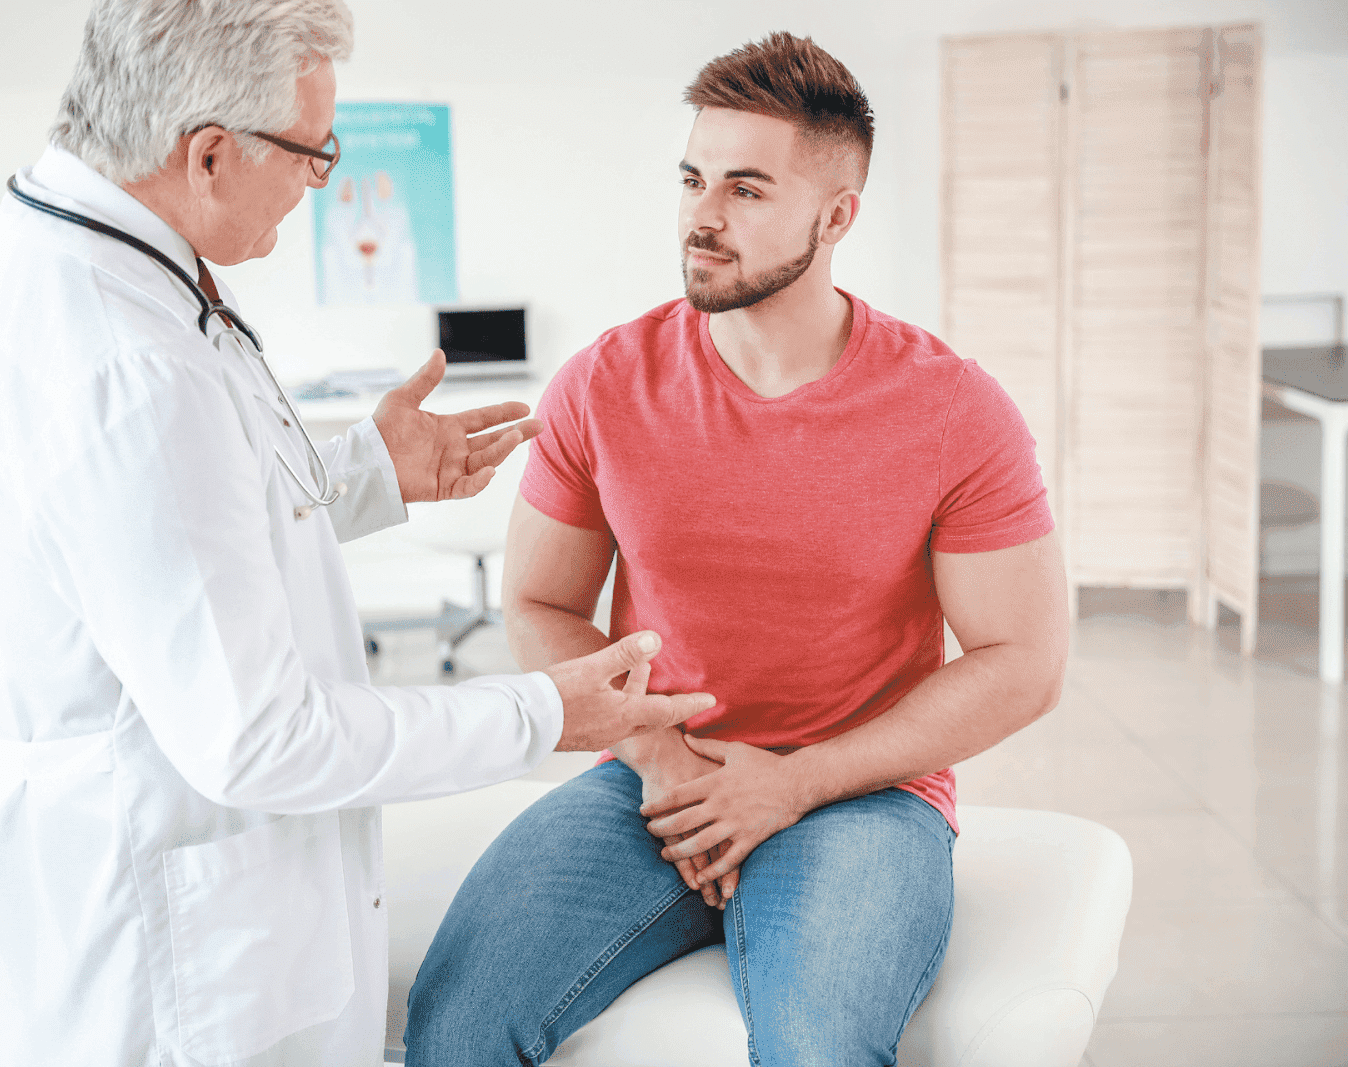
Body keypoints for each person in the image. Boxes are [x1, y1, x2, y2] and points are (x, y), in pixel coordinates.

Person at [0, 2, 712, 1065]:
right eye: (313, 153)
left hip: (180, 882)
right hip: (169, 957)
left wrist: (364, 474)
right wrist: (539, 711)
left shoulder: (82, 259)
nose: (322, 182)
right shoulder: (123, 356)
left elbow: (162, 533)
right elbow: (258, 738)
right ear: (207, 155)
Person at [403, 32, 1069, 1067]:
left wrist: (795, 781)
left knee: (818, 1049)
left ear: (836, 213)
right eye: (692, 178)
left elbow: (1022, 659)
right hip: (652, 780)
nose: (702, 217)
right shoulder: (603, 383)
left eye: (747, 190)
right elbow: (539, 602)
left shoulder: (952, 408)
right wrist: (661, 757)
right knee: (455, 1026)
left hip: (861, 793)